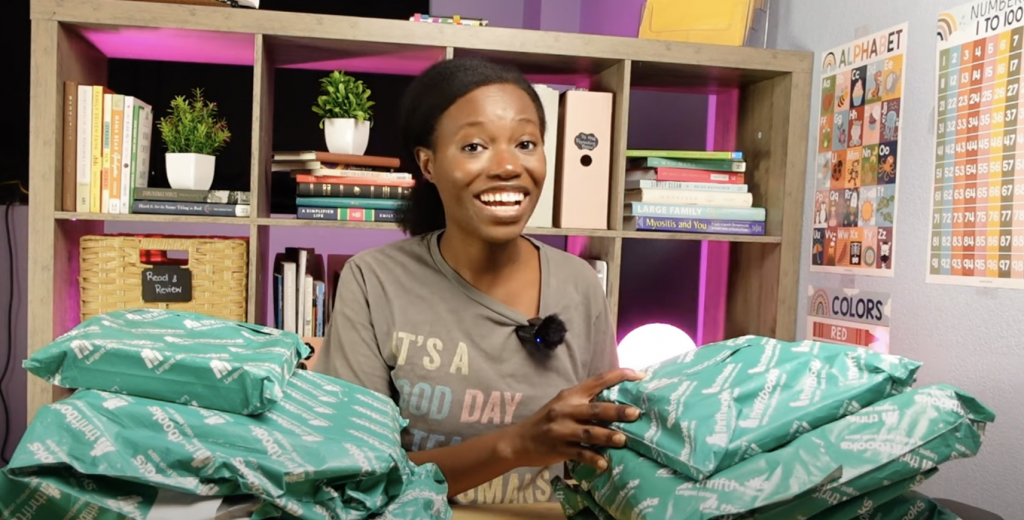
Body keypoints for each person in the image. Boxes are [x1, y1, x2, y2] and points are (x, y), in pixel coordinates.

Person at [312, 57, 645, 506]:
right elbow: (358, 477)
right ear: (428, 164)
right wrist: (515, 445)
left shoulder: (579, 282)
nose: (508, 166)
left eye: (526, 143)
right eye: (474, 147)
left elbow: (599, 452)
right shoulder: (374, 281)